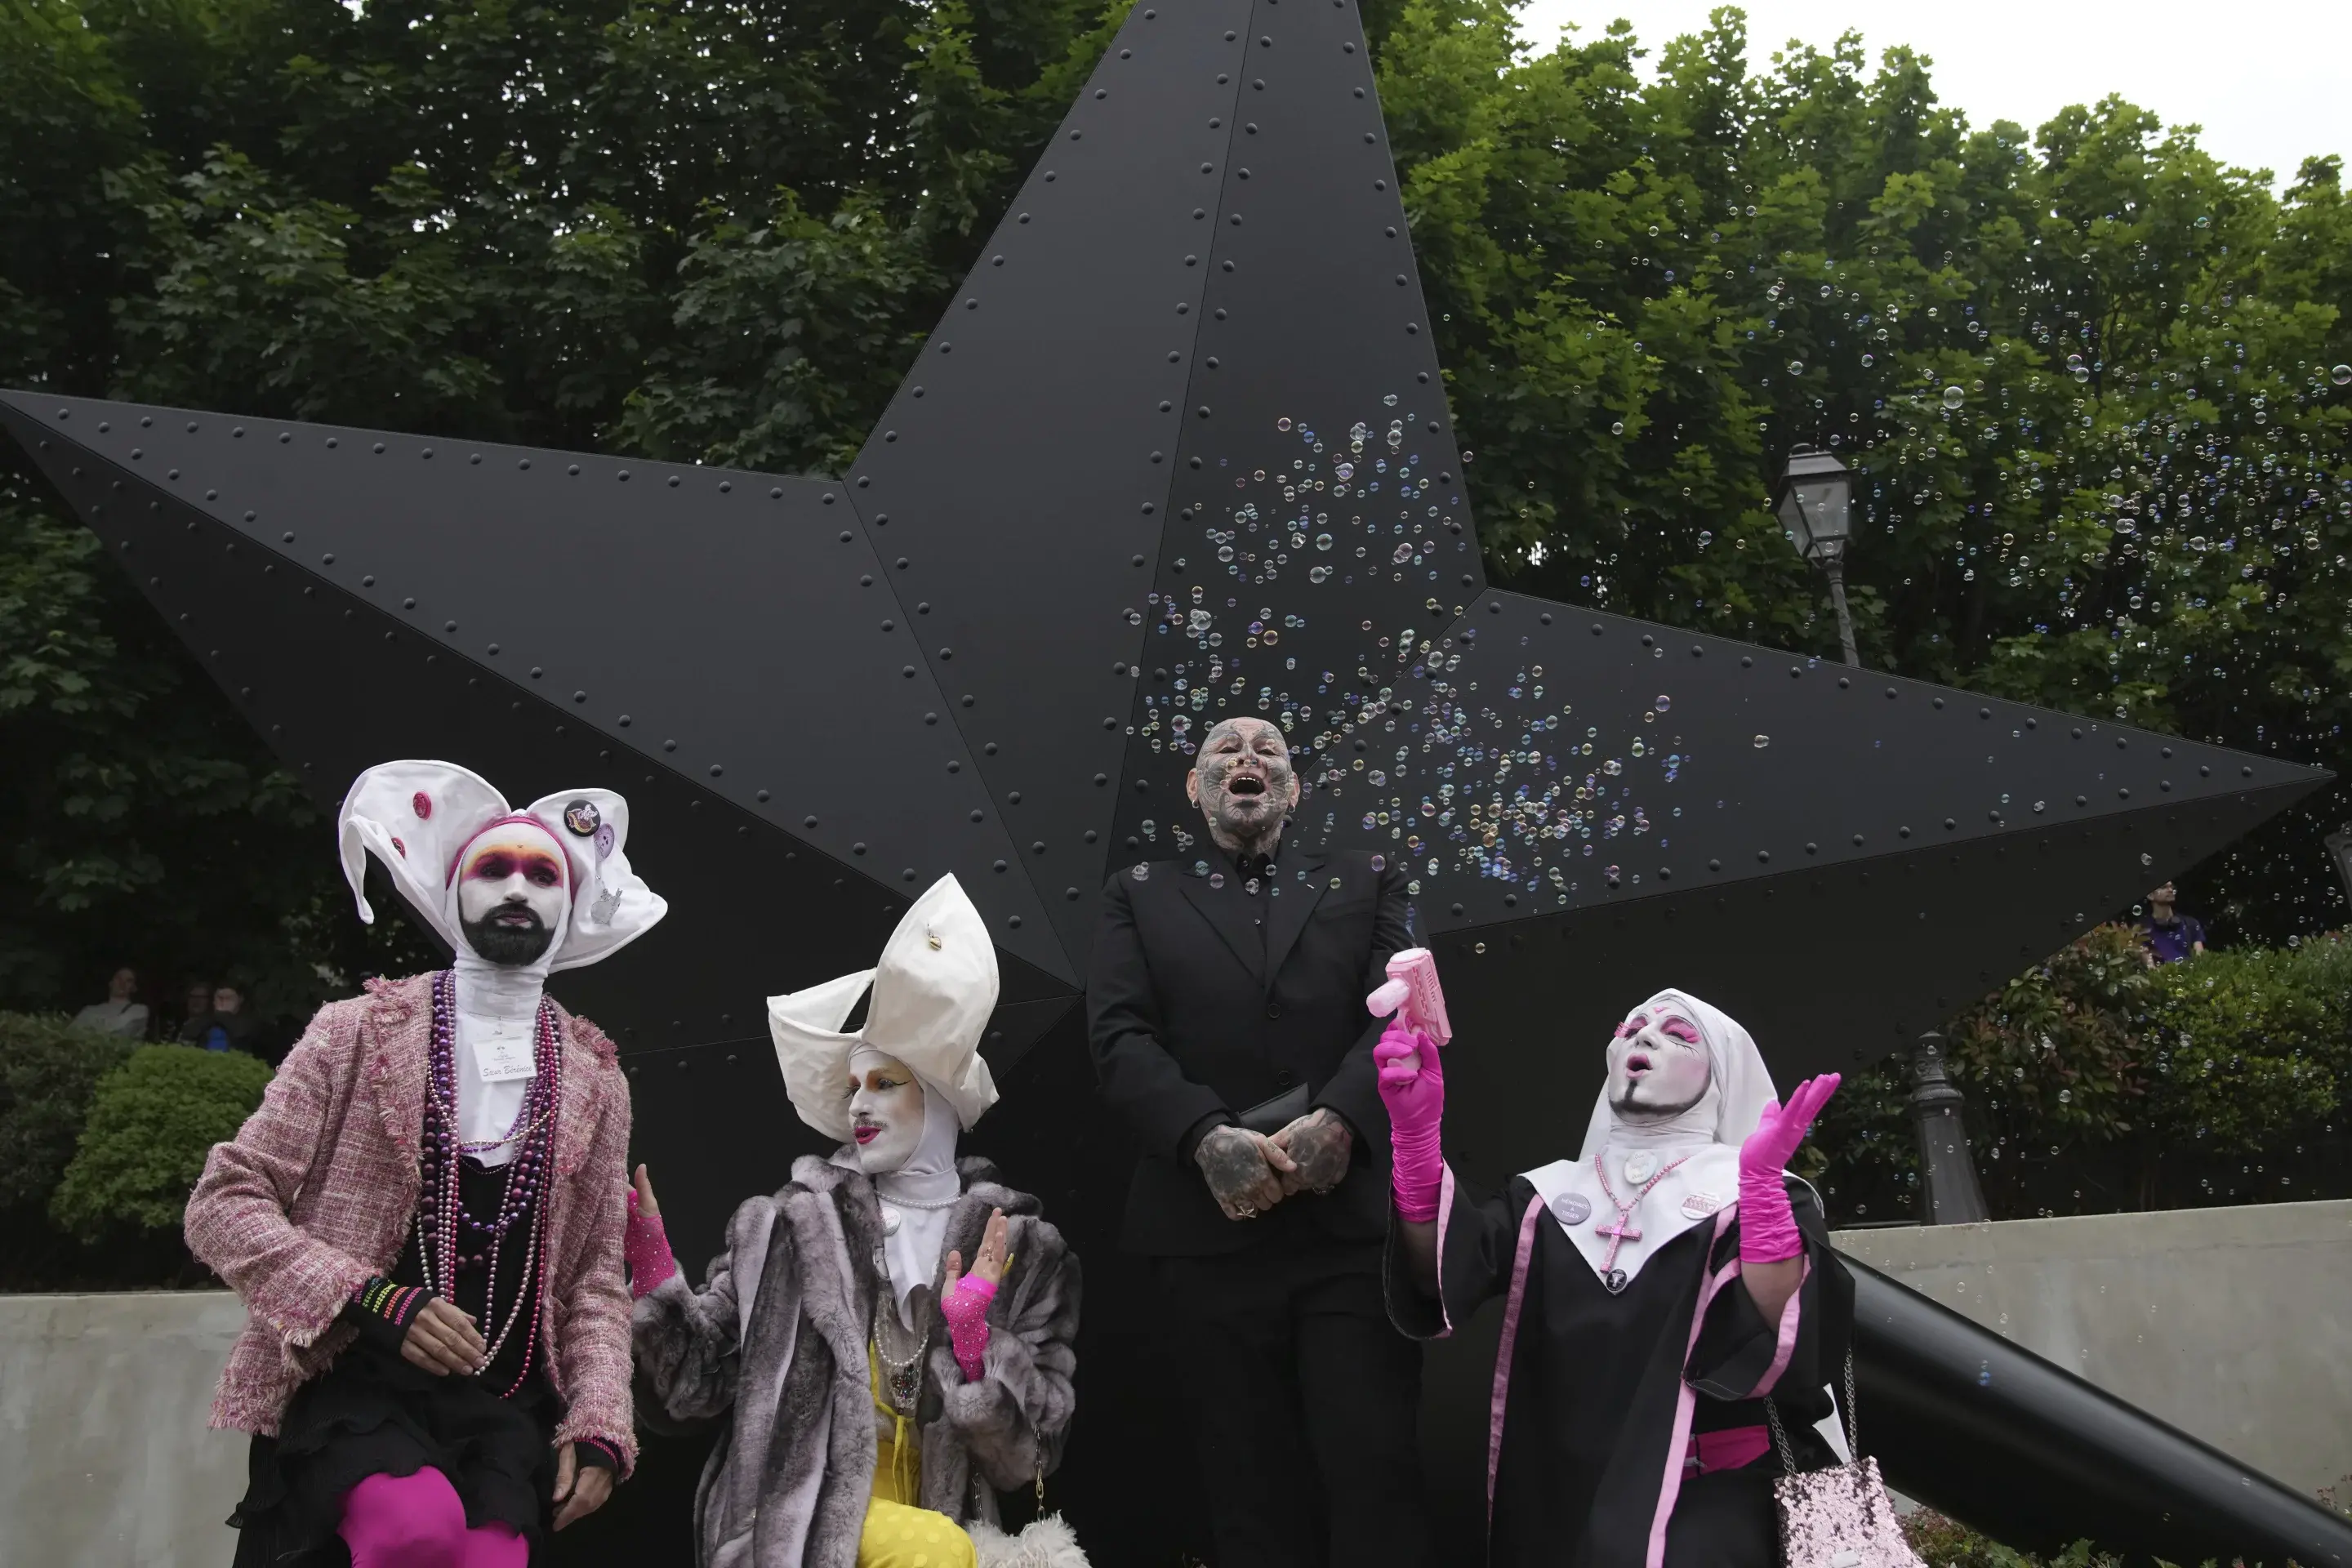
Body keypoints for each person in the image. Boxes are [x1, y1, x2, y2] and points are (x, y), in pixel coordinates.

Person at [184, 760, 665, 1567]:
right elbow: (224, 1201)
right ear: (452, 890)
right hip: (356, 1383)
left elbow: (592, 1282)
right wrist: (371, 1298)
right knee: (413, 1530)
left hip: (503, 1399)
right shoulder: (355, 1031)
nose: (517, 888)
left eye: (543, 874)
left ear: (571, 903)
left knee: (489, 1558)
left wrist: (601, 1422)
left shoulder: (597, 1078)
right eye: (494, 868)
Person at [627, 874, 1085, 1568]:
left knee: (944, 1546)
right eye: (852, 1089)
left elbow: (1033, 1456)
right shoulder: (790, 1224)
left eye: (884, 1083)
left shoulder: (1023, 1246)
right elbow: (695, 1386)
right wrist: (653, 1267)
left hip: (946, 1524)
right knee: (937, 1552)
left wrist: (972, 1343)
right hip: (796, 1527)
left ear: (939, 1098)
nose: (859, 1106)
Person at [1085, 715, 1431, 1568]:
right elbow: (1119, 1035)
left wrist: (1343, 1118)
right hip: (1206, 1238)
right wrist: (1205, 1137)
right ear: (1195, 788)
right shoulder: (1137, 892)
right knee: (1244, 1484)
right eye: (1225, 750)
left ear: (1293, 790)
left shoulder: (1369, 879)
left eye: (1269, 749)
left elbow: (1408, 1017)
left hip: (1345, 1237)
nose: (1248, 757)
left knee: (1374, 1467)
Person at [1380, 989, 1853, 1568]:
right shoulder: (1545, 1198)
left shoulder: (1756, 1192)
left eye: (1679, 1035)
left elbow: (1779, 1338)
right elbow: (1441, 1272)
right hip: (1571, 1513)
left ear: (1723, 1077)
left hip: (1715, 1508)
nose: (1643, 1035)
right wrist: (1415, 1139)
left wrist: (1760, 1194)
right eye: (1630, 1028)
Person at [183, 982, 264, 1054]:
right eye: (220, 998)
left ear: (240, 1000)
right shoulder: (202, 1022)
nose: (223, 1002)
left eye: (229, 998)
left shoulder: (250, 1024)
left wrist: (223, 1015)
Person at [2138, 883, 2207, 965]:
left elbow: (2200, 961)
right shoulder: (2143, 930)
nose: (2170, 890)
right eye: (2164, 887)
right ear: (2150, 895)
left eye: (2171, 887)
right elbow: (2150, 967)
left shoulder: (2190, 923)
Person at [74, 966, 149, 1038]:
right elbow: (73, 1033)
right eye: (118, 978)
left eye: (129, 981)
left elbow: (121, 1030)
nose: (122, 983)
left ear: (134, 988)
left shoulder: (138, 1010)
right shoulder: (90, 1010)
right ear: (111, 983)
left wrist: (91, 1025)